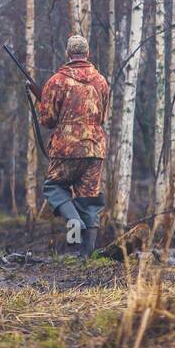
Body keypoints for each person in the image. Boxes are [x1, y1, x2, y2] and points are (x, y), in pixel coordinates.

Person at [30, 34, 111, 257]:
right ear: (87, 54)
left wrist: (40, 100)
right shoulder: (101, 81)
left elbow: (47, 121)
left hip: (66, 148)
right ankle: (86, 256)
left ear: (68, 54)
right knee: (90, 200)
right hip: (95, 147)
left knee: (54, 187)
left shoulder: (56, 81)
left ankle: (74, 220)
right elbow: (102, 116)